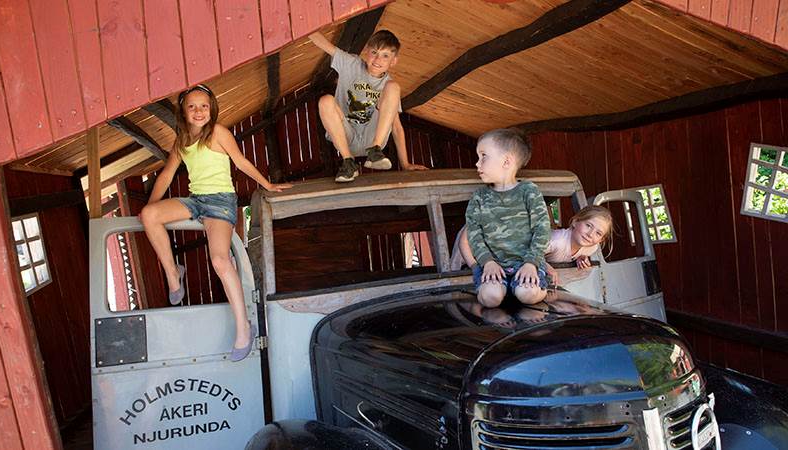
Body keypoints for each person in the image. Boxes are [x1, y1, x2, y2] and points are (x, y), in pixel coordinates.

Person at [139, 84, 292, 362]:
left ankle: (244, 328)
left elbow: (241, 162)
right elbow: (166, 176)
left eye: (204, 106)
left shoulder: (219, 133)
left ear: (212, 110)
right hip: (196, 199)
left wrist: (267, 183)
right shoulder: (181, 142)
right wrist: (151, 206)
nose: (198, 112)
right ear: (183, 113)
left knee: (221, 261)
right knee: (148, 216)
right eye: (192, 107)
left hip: (220, 202)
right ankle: (175, 273)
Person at [308, 30, 427, 182]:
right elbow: (322, 43)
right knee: (325, 100)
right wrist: (299, 21)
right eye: (374, 52)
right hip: (346, 137)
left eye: (385, 56)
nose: (378, 59)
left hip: (372, 137)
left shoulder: (388, 86)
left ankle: (375, 151)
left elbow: (396, 127)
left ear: (393, 61)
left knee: (393, 87)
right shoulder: (350, 64)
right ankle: (348, 163)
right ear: (366, 52)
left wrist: (405, 164)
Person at [465, 128, 550, 308]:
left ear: (506, 161)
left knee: (527, 294)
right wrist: (487, 262)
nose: (477, 163)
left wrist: (531, 263)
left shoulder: (529, 191)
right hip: (492, 266)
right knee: (491, 298)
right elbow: (474, 234)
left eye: (483, 156)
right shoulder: (479, 197)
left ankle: (539, 286)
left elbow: (542, 229)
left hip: (526, 264)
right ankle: (492, 288)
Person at [454, 205, 613, 286]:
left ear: (601, 240)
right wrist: (548, 267)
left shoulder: (591, 246)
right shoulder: (555, 241)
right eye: (588, 226)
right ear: (575, 222)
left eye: (598, 234)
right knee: (457, 266)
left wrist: (581, 257)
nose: (591, 235)